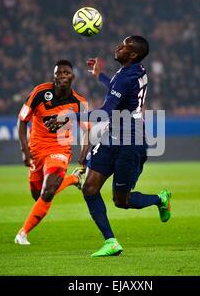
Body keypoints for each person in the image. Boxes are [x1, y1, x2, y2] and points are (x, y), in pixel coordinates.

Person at [48, 36, 172, 257]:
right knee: (89, 188)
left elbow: (105, 111)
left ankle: (160, 199)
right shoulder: (133, 69)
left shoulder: (126, 76)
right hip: (111, 136)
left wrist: (67, 117)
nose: (119, 47)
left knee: (121, 201)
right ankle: (111, 242)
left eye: (125, 46)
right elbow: (118, 89)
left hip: (130, 142)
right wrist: (100, 76)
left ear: (133, 54)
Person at [14, 60, 89, 245]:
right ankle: (73, 179)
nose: (63, 76)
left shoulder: (80, 103)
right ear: (54, 76)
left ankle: (22, 233)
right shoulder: (40, 93)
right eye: (59, 73)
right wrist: (25, 152)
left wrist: (84, 151)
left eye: (66, 73)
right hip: (36, 149)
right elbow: (22, 120)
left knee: (48, 191)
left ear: (72, 77)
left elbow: (88, 130)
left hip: (60, 150)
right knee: (38, 195)